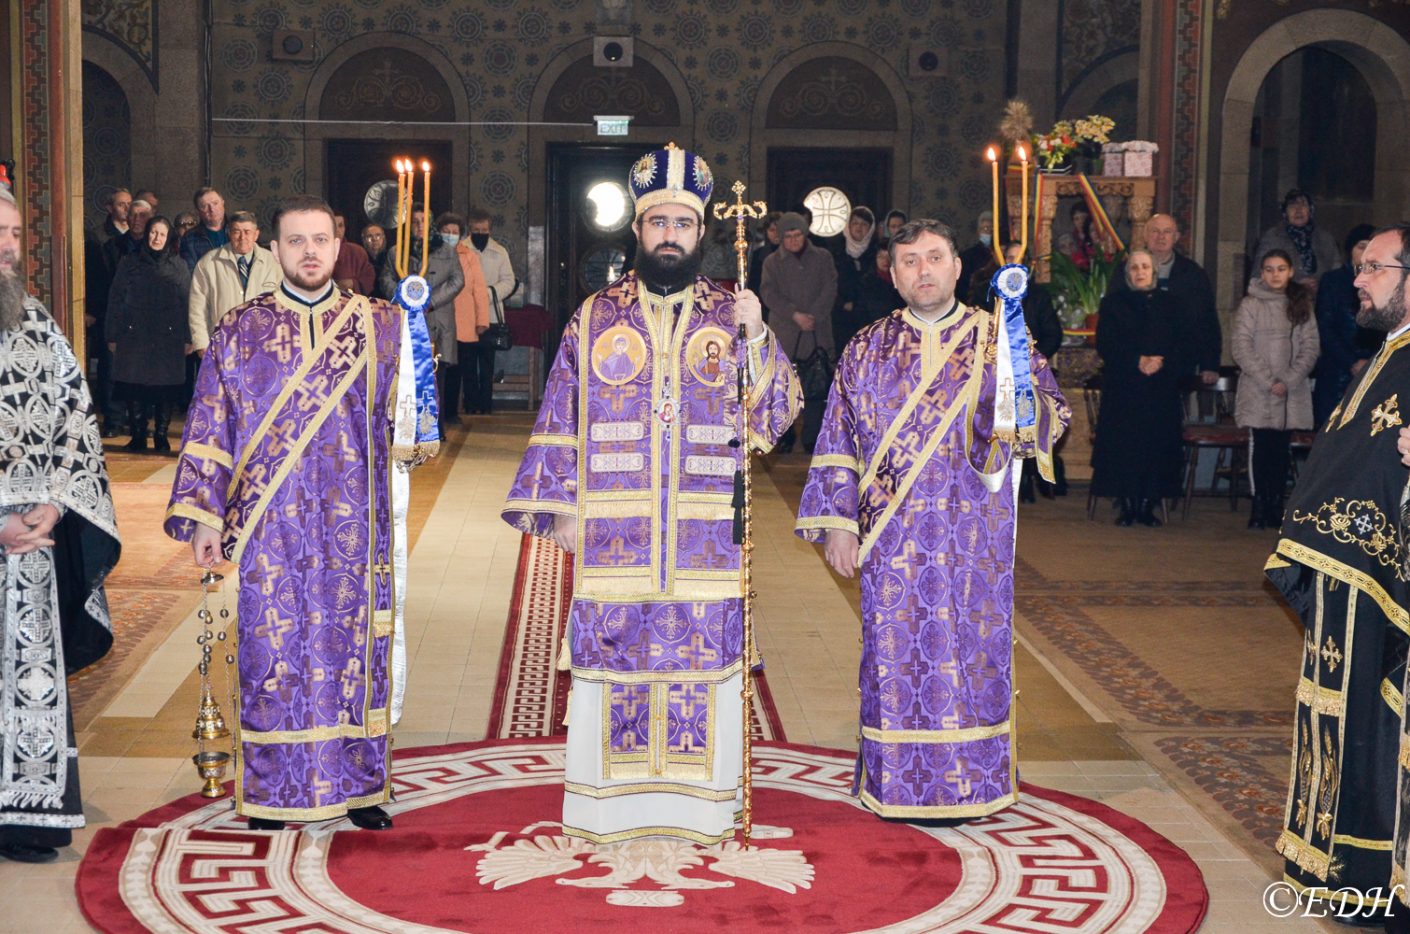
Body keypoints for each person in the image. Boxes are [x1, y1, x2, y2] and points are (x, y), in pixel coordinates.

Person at [502, 143, 801, 846]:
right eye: (658, 222)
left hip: (707, 531)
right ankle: (608, 805)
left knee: (704, 659)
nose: (670, 235)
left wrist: (760, 336)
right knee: (618, 655)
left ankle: (704, 804)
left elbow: (776, 416)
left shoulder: (732, 312)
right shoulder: (595, 316)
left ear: (701, 234)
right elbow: (561, 410)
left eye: (683, 224)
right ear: (637, 230)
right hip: (616, 530)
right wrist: (561, 507)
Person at [165, 194, 432, 833]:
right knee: (273, 651)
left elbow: (413, 428)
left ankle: (360, 786)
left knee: (350, 650)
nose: (309, 252)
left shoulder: (381, 325)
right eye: (295, 241)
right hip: (270, 523)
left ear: (337, 246)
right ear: (275, 249)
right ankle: (274, 789)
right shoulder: (240, 328)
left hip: (355, 520)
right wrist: (205, 517)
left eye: (320, 240)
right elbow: (211, 423)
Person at [795, 219, 1068, 820]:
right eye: (910, 261)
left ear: (956, 268)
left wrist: (1017, 398)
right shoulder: (866, 347)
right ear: (893, 276)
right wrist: (839, 523)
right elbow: (837, 438)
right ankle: (896, 784)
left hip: (974, 536)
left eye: (935, 257)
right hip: (891, 539)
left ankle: (974, 783)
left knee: (972, 656)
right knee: (893, 659)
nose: (923, 270)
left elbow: (1047, 422)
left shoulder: (998, 338)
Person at [1271, 225, 1410, 927]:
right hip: (1348, 577)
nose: (1358, 279)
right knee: (1339, 718)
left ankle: (1365, 873)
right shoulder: (1390, 352)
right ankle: (1339, 866)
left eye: (1374, 268)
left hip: (1379, 584)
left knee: (1368, 723)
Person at [0, 187, 121, 865]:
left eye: (16, 231)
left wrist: (58, 502)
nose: (10, 244)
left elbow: (77, 415)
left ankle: (25, 818)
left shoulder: (38, 321)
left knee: (27, 680)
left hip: (34, 544)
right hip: (4, 533)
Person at [1090, 250, 1183, 527]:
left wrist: (1160, 361)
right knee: (1125, 446)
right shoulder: (1113, 304)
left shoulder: (1171, 304)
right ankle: (1128, 504)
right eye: (1134, 268)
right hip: (1125, 387)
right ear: (1127, 274)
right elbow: (1106, 343)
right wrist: (1137, 360)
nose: (1140, 272)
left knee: (1156, 446)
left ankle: (1147, 505)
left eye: (1145, 267)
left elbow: (1181, 342)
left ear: (1154, 271)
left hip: (1160, 388)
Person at [1232, 249, 1319, 529]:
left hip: (1291, 389)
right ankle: (1258, 505)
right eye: (1269, 269)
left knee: (1281, 451)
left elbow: (1310, 347)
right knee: (1261, 450)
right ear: (1261, 273)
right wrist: (1270, 380)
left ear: (1290, 272)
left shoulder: (1301, 304)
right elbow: (1241, 346)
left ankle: (1276, 505)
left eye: (1281, 269)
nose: (1275, 275)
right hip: (1259, 388)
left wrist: (1289, 379)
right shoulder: (1250, 304)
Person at [106, 216, 191, 452]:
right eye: (153, 232)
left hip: (168, 335)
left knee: (165, 387)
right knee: (134, 384)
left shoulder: (179, 265)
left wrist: (188, 337)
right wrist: (112, 334)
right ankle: (138, 435)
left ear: (169, 237)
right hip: (134, 334)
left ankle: (161, 435)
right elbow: (116, 298)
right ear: (147, 234)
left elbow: (187, 302)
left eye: (162, 234)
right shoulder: (129, 262)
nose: (157, 238)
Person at [378, 208, 463, 430]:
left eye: (424, 221)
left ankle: (434, 427)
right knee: (406, 372)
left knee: (437, 374)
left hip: (437, 319)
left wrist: (430, 301)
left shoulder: (446, 251)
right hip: (406, 319)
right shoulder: (396, 251)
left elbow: (457, 280)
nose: (419, 225)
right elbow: (386, 277)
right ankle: (407, 426)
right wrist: (403, 297)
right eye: (415, 221)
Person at [761, 211, 837, 452]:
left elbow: (830, 287)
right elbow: (768, 293)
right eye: (788, 236)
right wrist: (795, 315)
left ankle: (812, 437)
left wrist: (813, 315)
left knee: (816, 387)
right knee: (783, 388)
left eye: (798, 235)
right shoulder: (772, 262)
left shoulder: (822, 257)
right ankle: (784, 436)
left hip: (816, 331)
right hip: (786, 332)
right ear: (781, 237)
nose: (793, 240)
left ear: (805, 234)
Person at [1140, 213, 1222, 385]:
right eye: (1155, 231)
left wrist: (1209, 364)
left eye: (1167, 232)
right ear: (1145, 236)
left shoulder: (1193, 274)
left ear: (1176, 237)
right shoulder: (1127, 271)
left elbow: (1206, 320)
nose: (1161, 237)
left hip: (1177, 364)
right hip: (1137, 362)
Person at [188, 210, 281, 355]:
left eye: (247, 232)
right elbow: (197, 308)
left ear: (256, 234)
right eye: (237, 231)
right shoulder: (209, 263)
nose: (242, 237)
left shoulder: (274, 263)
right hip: (223, 348)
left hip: (264, 348)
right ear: (229, 233)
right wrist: (202, 345)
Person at [1312, 224, 1378, 427]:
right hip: (1336, 370)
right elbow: (1325, 327)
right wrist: (1352, 361)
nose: (1365, 252)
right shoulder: (1332, 281)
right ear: (1350, 250)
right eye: (1361, 246)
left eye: (1371, 247)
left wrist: (1371, 361)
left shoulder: (1382, 282)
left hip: (1373, 367)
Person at [438, 211, 491, 422]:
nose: (450, 235)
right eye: (446, 231)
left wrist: (482, 320)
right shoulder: (431, 254)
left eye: (454, 232)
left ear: (461, 235)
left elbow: (479, 289)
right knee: (439, 367)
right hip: (438, 318)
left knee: (457, 370)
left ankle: (451, 412)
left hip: (464, 321)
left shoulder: (469, 256)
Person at [463, 208, 516, 414]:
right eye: (476, 230)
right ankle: (470, 405)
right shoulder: (461, 249)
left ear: (490, 229)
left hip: (491, 313)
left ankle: (485, 406)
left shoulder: (499, 252)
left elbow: (509, 281)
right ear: (470, 229)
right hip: (466, 313)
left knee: (487, 362)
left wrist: (490, 293)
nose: (480, 234)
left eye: (484, 230)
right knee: (468, 362)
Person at [1253, 189, 1340, 284]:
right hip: (1282, 292)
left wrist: (1321, 286)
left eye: (1303, 205)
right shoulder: (1272, 237)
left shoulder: (1325, 238)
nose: (1298, 210)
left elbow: (1337, 272)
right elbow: (1257, 277)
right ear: (1285, 212)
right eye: (1292, 206)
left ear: (1310, 210)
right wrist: (1295, 286)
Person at [833, 206, 877, 351]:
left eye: (864, 224)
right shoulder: (835, 249)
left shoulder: (877, 252)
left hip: (869, 316)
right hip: (840, 316)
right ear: (848, 225)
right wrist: (841, 302)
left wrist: (860, 304)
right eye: (855, 223)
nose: (859, 228)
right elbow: (827, 282)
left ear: (870, 228)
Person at [179, 187, 230, 271]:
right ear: (197, 211)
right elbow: (190, 271)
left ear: (223, 203)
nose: (212, 209)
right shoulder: (190, 238)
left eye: (215, 203)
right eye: (205, 206)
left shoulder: (238, 229)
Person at [852, 248, 904, 327]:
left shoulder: (902, 280)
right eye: (881, 257)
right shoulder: (866, 282)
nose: (885, 260)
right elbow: (861, 312)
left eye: (889, 257)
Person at [956, 210, 995, 306]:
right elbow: (962, 285)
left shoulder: (1001, 254)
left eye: (991, 229)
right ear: (978, 231)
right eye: (985, 228)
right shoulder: (968, 256)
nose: (988, 232)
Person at [332, 213, 376, 296]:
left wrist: (353, 283)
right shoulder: (316, 251)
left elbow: (369, 276)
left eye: (341, 226)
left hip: (352, 300)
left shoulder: (357, 251)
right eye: (333, 226)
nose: (337, 230)